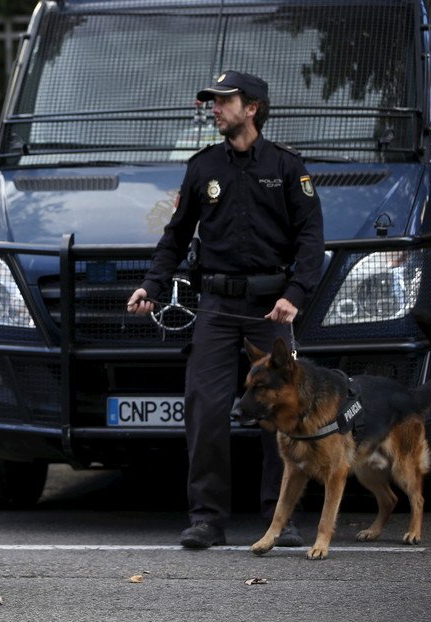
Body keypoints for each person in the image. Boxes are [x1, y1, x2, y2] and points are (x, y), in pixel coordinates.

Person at [125, 71, 324, 549]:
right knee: (206, 409)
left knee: (283, 413)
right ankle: (208, 519)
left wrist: (294, 294)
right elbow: (175, 235)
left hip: (270, 309)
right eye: (212, 101)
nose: (214, 108)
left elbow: (312, 239)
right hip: (215, 306)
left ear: (251, 108)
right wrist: (152, 285)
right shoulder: (202, 168)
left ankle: (282, 520)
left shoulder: (287, 166)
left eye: (223, 100)